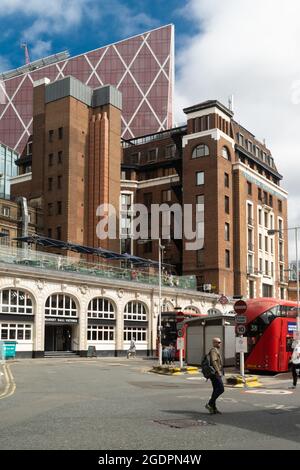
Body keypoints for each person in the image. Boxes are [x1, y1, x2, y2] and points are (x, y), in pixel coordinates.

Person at [205, 337, 224, 414]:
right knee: (221, 389)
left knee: (215, 389)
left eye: (220, 342)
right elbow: (214, 361)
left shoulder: (216, 350)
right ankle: (209, 404)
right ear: (214, 343)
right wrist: (218, 371)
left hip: (215, 373)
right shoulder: (213, 350)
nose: (220, 343)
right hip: (215, 373)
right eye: (218, 342)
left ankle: (213, 408)